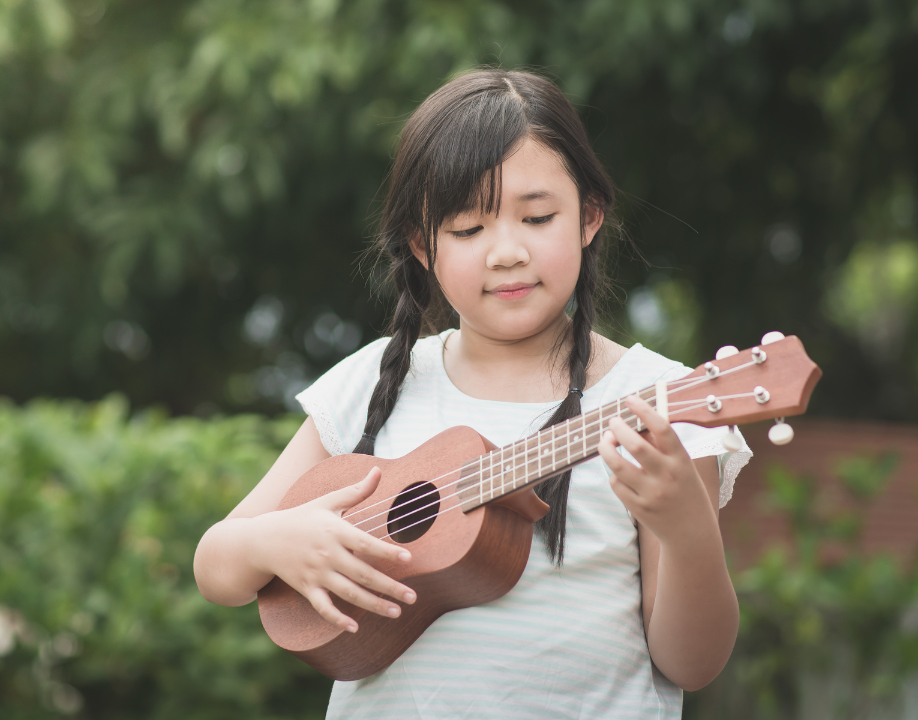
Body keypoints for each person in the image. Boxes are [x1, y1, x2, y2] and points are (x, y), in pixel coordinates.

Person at [193, 68, 751, 718]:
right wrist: (275, 543)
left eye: (537, 216)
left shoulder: (655, 405)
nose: (506, 252)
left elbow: (693, 661)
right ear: (419, 244)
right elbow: (217, 566)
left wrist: (684, 528)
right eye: (467, 230)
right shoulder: (376, 381)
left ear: (590, 216)